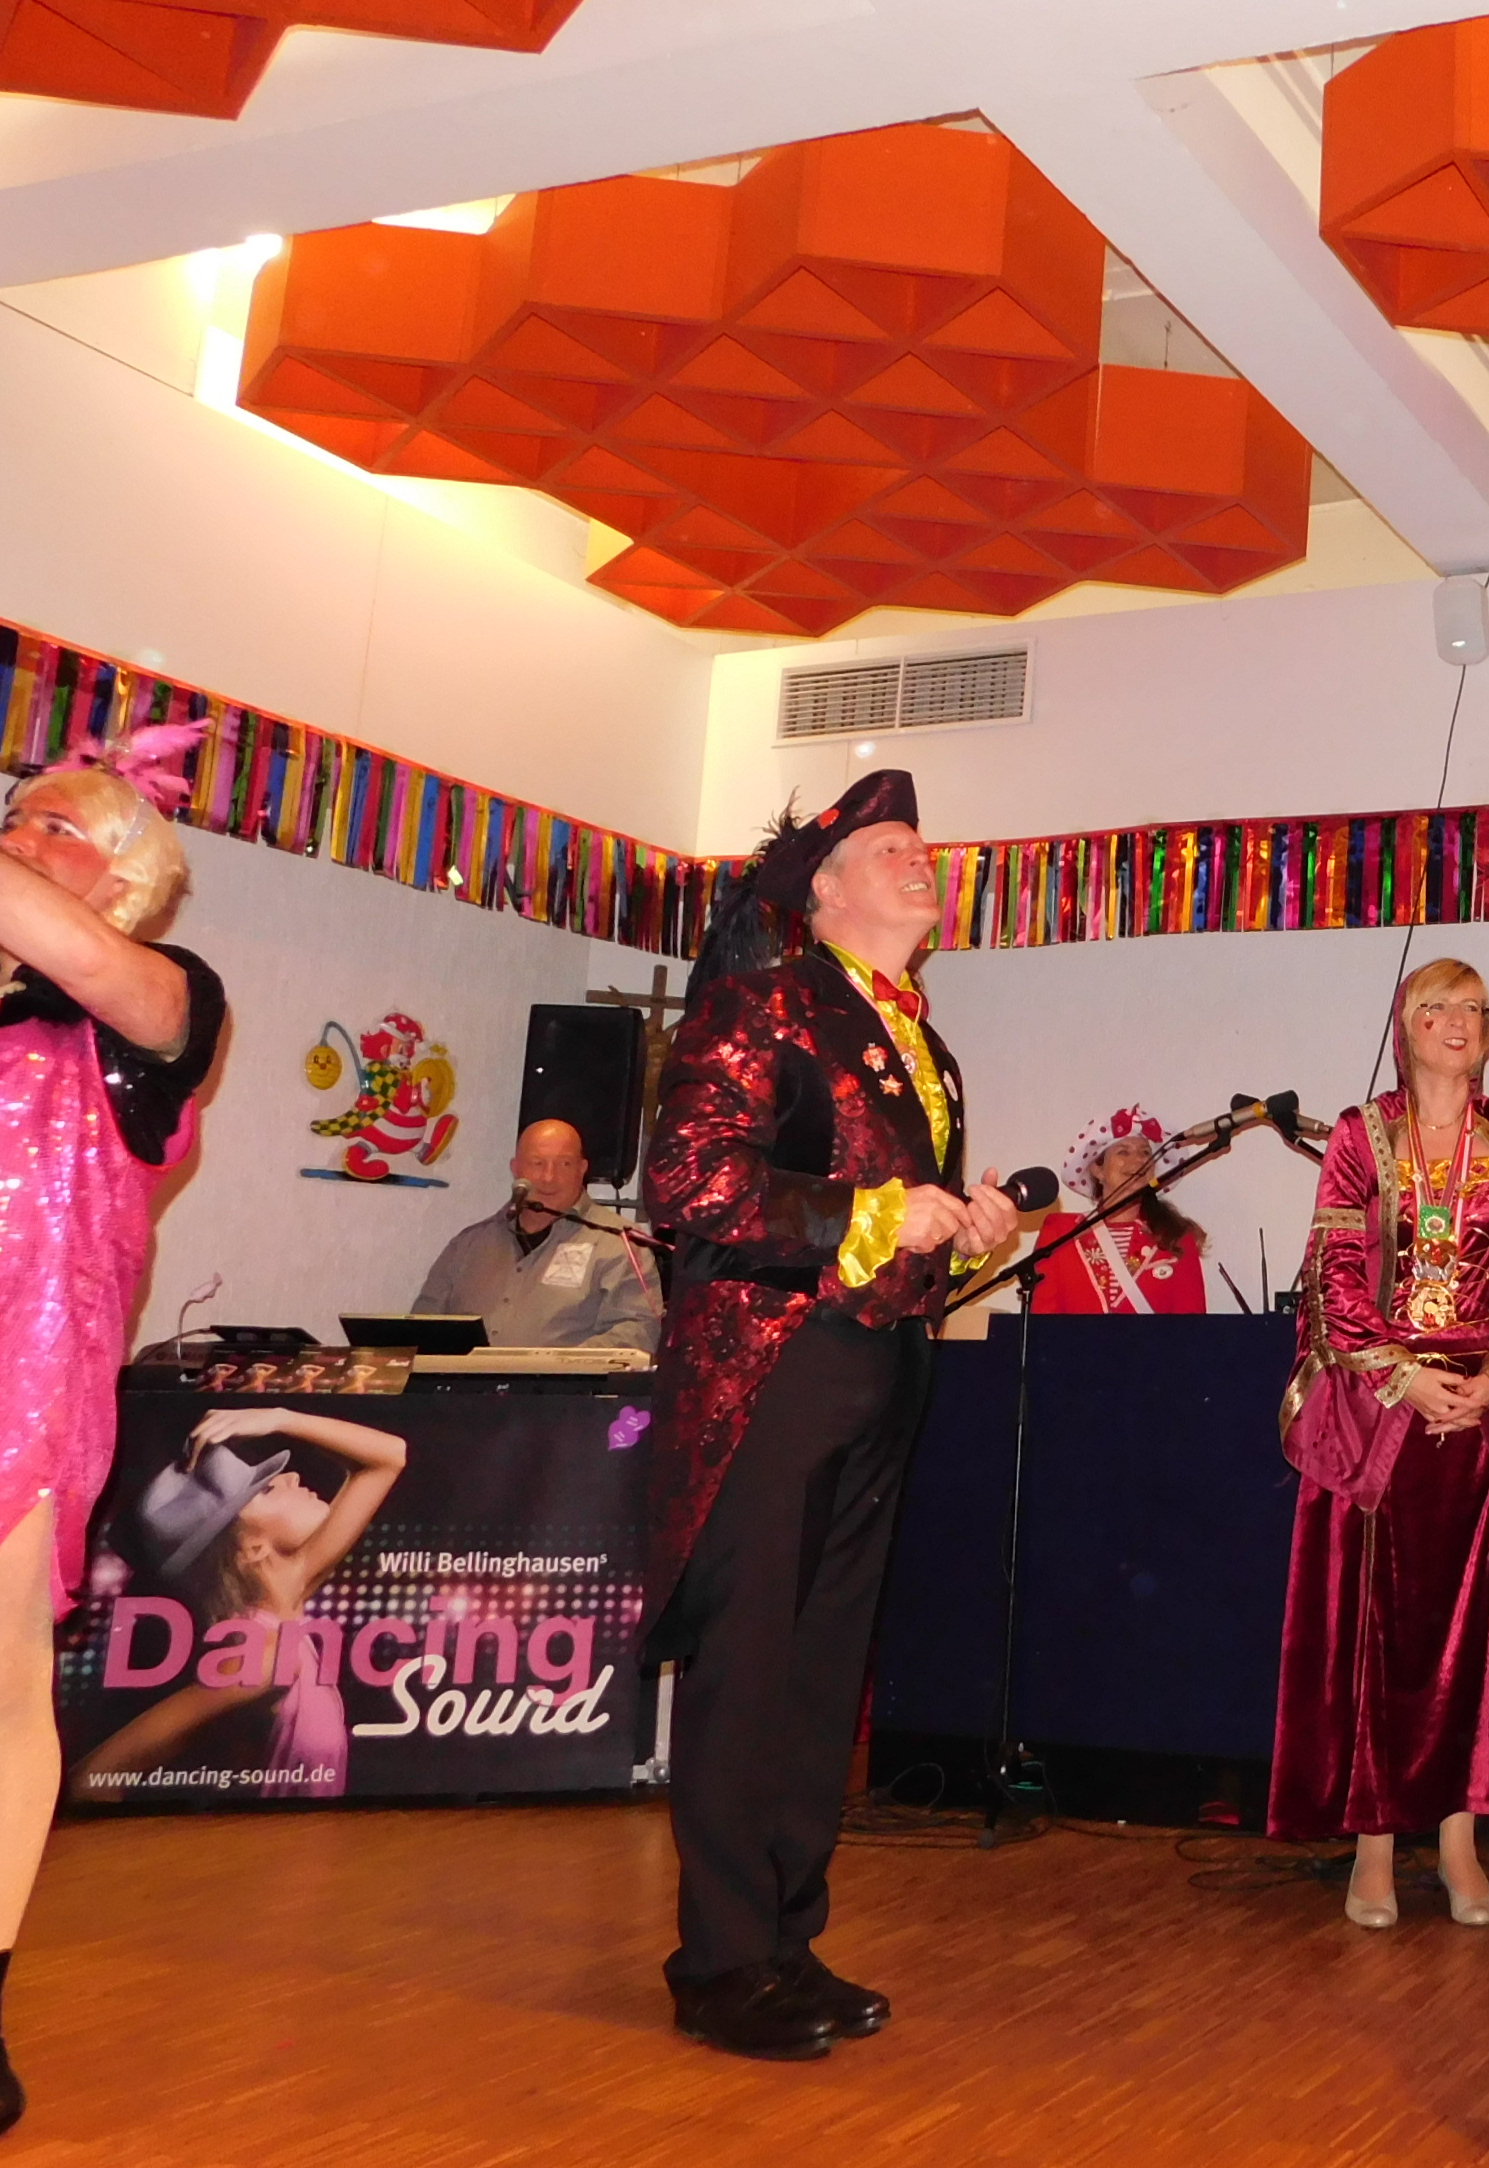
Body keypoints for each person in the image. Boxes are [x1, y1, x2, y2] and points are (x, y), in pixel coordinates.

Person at [642, 769, 1026, 2063]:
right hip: (776, 1366)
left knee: (820, 1673)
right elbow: (686, 1179)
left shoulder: (927, 1045)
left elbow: (894, 1224)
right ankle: (720, 1961)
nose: (923, 860)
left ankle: (785, 1942)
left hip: (880, 1364)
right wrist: (868, 1215)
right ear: (822, 888)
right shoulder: (762, 1003)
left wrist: (960, 1228)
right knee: (751, 1664)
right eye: (891, 846)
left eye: (925, 844)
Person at [0, 723, 225, 2152]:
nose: (10, 837)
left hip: (8, 1397)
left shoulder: (159, 1010)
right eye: (9, 816)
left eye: (49, 822)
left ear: (125, 877)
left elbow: (68, 951)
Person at [1270, 959, 1489, 1931]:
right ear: (1407, 1022)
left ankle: (1458, 1843)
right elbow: (1334, 1273)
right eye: (1440, 1006)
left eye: (1476, 1008)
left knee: (1470, 1638)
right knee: (1376, 1632)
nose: (1459, 1021)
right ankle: (1372, 1847)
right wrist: (1401, 1376)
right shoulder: (1360, 1135)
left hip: (1478, 1415)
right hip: (1382, 1414)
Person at [70, 1406, 410, 1801]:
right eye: (266, 1490)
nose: (291, 1477)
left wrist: (281, 1418)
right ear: (252, 1548)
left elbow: (388, 1458)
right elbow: (91, 1779)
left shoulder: (292, 1597)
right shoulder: (262, 1658)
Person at [412, 1117, 660, 1349]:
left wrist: (556, 1367)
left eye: (564, 1164)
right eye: (537, 1163)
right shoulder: (468, 1245)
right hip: (464, 1383)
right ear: (516, 1168)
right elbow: (421, 1330)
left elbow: (639, 1332)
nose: (549, 1177)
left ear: (582, 1169)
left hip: (565, 1383)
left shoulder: (619, 1242)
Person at [1024, 1106, 1209, 1315]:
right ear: (1097, 1169)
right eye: (1124, 1152)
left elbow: (1192, 1326)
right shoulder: (1061, 1232)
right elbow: (1043, 1321)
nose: (1138, 1160)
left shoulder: (1176, 1235)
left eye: (1145, 1152)